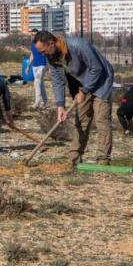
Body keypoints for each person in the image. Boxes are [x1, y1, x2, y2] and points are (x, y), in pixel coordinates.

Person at [33, 30, 115, 166]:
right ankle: (74, 158)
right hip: (82, 83)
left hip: (102, 80)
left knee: (102, 120)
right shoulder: (51, 56)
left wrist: (84, 91)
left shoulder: (78, 45)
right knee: (81, 120)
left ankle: (103, 159)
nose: (42, 54)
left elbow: (96, 68)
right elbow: (57, 81)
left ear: (51, 43)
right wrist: (60, 106)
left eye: (43, 51)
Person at [26, 33, 48, 109]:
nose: (33, 36)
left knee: (36, 83)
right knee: (40, 84)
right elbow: (32, 55)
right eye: (32, 34)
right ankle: (45, 102)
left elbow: (47, 54)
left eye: (34, 35)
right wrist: (28, 66)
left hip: (42, 65)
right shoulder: (32, 44)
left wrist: (50, 67)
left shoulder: (42, 43)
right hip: (34, 66)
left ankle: (37, 103)